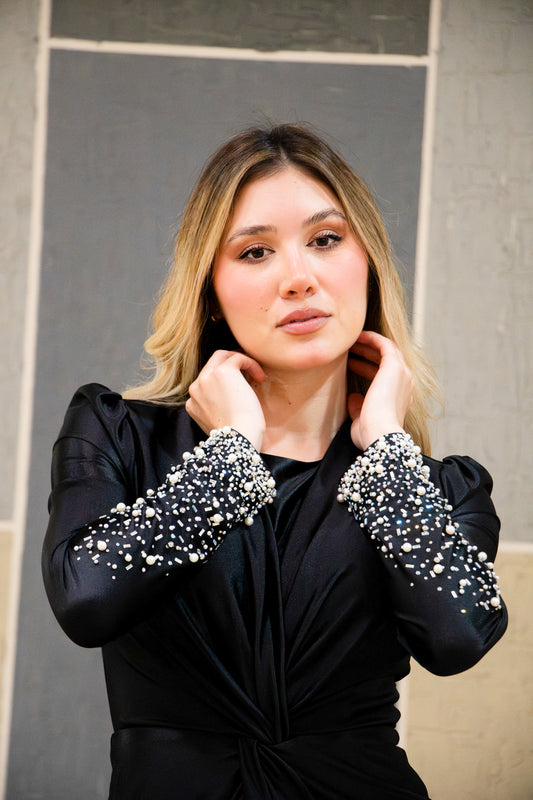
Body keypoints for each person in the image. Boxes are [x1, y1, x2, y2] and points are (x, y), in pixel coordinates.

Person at [42, 123, 507, 800]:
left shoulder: (436, 488)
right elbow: (86, 602)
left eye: (326, 240)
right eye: (255, 251)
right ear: (210, 291)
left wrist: (386, 444)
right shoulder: (118, 434)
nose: (298, 278)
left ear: (368, 263)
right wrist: (228, 456)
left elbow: (459, 637)